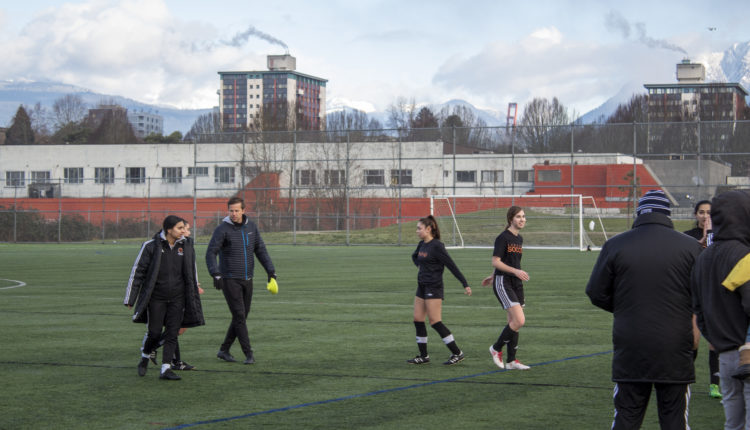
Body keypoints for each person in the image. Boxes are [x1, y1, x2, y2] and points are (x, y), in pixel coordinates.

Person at [586, 190, 701, 429]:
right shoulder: (691, 247)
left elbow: (596, 293)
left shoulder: (616, 244)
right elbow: (703, 297)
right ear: (667, 215)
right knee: (675, 419)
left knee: (627, 417)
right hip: (675, 343)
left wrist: (627, 307)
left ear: (639, 213)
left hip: (631, 342)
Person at [691, 190, 750, 430]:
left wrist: (713, 338)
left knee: (733, 422)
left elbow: (697, 306)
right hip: (746, 350)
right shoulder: (745, 254)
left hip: (723, 351)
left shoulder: (703, 258)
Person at [124, 215, 205, 380]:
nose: (184, 231)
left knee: (172, 333)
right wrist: (130, 298)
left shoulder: (187, 245)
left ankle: (166, 368)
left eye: (184, 228)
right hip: (156, 298)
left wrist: (195, 286)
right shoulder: (150, 246)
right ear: (169, 230)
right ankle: (145, 355)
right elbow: (137, 272)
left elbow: (191, 268)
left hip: (178, 297)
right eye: (180, 228)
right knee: (154, 333)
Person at [206, 197, 276, 365]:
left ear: (244, 210)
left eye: (237, 210)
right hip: (229, 279)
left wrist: (271, 271)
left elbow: (260, 250)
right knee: (239, 315)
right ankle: (249, 354)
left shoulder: (251, 227)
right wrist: (215, 273)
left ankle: (224, 350)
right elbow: (210, 253)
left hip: (247, 279)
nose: (234, 214)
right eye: (231, 211)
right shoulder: (222, 229)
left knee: (242, 316)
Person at [407, 215, 471, 366]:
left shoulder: (437, 246)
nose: (417, 231)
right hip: (421, 286)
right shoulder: (422, 244)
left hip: (433, 287)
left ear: (428, 229)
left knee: (435, 322)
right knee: (418, 319)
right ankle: (424, 356)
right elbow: (414, 256)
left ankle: (457, 353)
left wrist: (465, 284)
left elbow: (451, 265)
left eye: (419, 228)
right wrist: (421, 267)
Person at [482, 206, 531, 370]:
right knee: (519, 320)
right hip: (504, 282)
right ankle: (495, 348)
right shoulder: (503, 238)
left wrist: (492, 275)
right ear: (511, 219)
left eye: (523, 216)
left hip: (516, 283)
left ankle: (511, 361)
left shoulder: (519, 238)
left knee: (513, 322)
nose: (522, 219)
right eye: (518, 217)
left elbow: (507, 261)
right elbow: (496, 260)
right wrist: (500, 274)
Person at [683, 200, 722, 399]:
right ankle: (685, 379)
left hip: (715, 294)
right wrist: (704, 238)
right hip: (694, 293)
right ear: (695, 214)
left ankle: (715, 384)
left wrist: (711, 237)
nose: (705, 216)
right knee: (694, 341)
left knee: (715, 342)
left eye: (709, 212)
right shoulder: (687, 237)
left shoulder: (721, 237)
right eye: (701, 212)